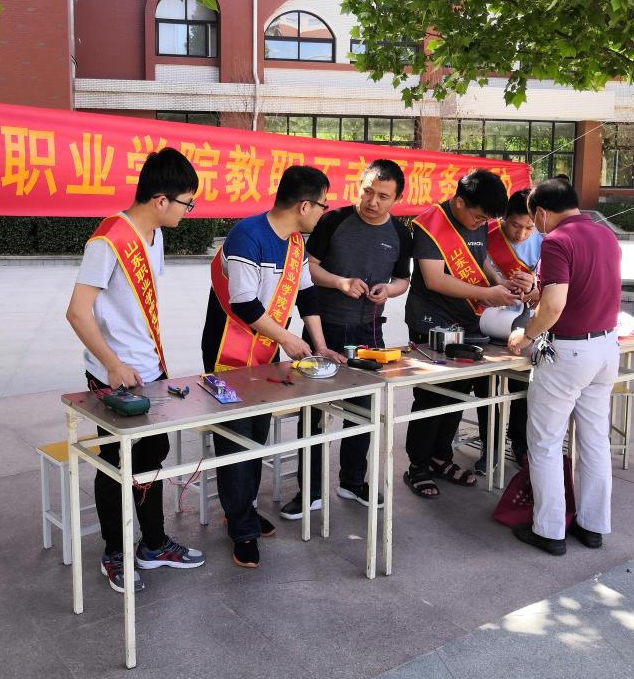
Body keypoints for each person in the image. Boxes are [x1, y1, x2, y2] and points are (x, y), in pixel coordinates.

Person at [65, 147, 206, 593]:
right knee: (116, 462)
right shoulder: (107, 240)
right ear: (161, 200)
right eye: (186, 203)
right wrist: (112, 364)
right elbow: (77, 312)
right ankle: (114, 553)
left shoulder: (154, 236)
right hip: (114, 375)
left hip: (148, 369)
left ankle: (153, 543)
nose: (188, 211)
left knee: (151, 456)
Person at [200, 165, 344, 568]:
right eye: (323, 205)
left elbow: (307, 295)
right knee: (236, 437)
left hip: (264, 351)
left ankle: (242, 509)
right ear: (304, 206)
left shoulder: (295, 242)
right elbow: (244, 303)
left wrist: (320, 345)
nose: (324, 212)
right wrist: (288, 339)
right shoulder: (247, 236)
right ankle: (241, 527)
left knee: (256, 434)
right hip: (227, 353)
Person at [278, 159, 412, 520]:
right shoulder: (332, 220)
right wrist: (340, 282)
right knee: (313, 412)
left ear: (397, 199)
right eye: (368, 191)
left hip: (369, 332)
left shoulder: (401, 234)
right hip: (324, 330)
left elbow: (403, 280)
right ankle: (310, 490)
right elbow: (308, 268)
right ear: (359, 186)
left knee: (363, 410)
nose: (373, 201)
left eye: (383, 196)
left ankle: (352, 481)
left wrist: (388, 290)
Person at [507, 178, 622, 556]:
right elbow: (582, 290)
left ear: (541, 212)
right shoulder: (606, 235)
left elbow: (555, 306)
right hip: (606, 347)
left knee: (545, 442)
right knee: (594, 440)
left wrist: (525, 334)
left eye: (534, 219)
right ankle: (593, 525)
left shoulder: (556, 241)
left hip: (568, 352)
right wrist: (537, 293)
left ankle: (550, 530)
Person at [402, 169, 519, 499]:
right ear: (459, 202)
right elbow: (434, 278)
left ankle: (441, 458)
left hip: (468, 321)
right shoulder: (431, 224)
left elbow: (480, 259)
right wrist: (486, 294)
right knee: (432, 395)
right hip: (432, 322)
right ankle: (417, 466)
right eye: (478, 216)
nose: (481, 223)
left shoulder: (477, 218)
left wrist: (498, 282)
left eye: (485, 219)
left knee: (458, 392)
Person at [475, 187, 541, 473]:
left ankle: (520, 443)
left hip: (523, 323)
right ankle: (490, 444)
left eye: (529, 227)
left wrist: (532, 287)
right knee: (485, 386)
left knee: (522, 384)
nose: (521, 233)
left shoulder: (543, 242)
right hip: (485, 318)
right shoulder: (485, 234)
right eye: (515, 225)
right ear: (503, 218)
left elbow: (546, 289)